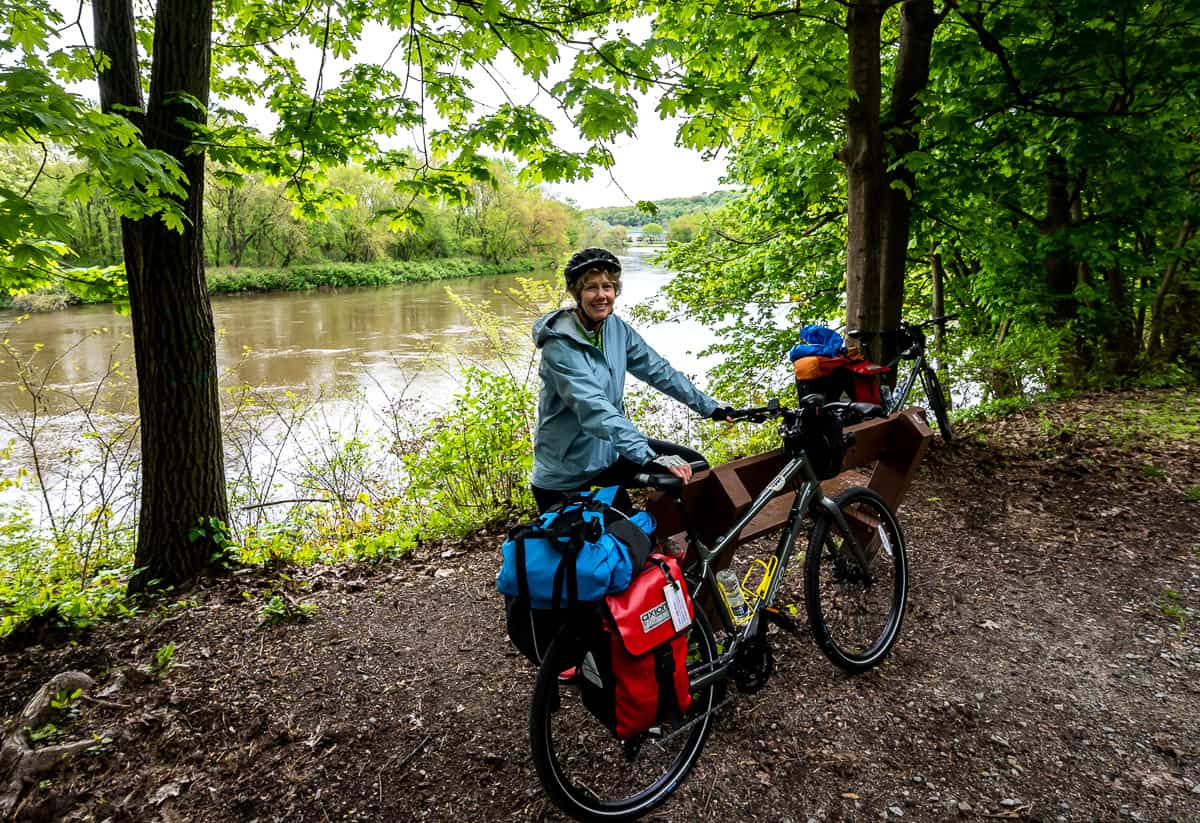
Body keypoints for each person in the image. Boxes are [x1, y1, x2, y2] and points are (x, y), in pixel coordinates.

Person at [530, 247, 731, 514]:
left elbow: (659, 371)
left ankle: (682, 547)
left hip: (608, 455)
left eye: (608, 287)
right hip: (568, 474)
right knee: (623, 543)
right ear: (577, 293)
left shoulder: (615, 328)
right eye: (591, 288)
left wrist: (710, 407)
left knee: (695, 466)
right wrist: (650, 458)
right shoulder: (560, 346)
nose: (601, 295)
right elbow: (594, 409)